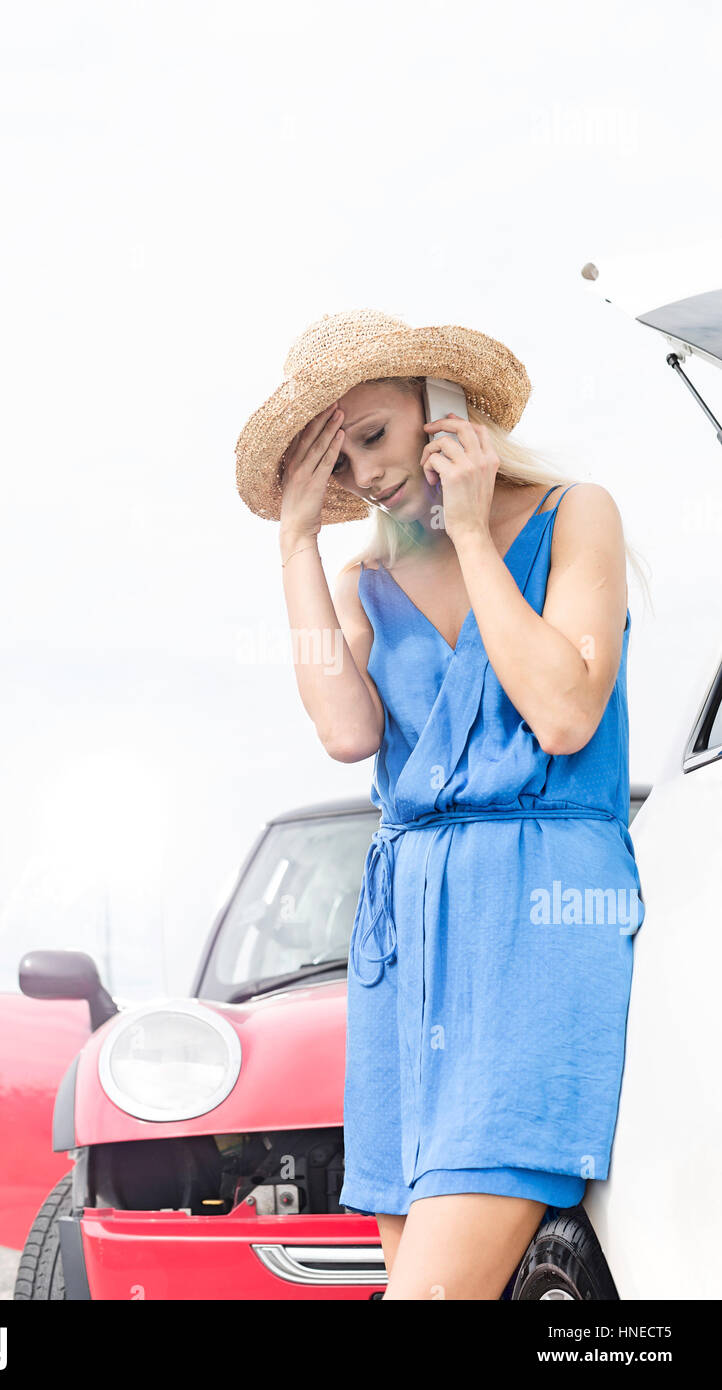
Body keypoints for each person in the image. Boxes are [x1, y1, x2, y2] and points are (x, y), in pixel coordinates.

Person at [234, 308, 646, 1300]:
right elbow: (343, 730)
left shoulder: (572, 512)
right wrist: (294, 539)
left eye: (371, 435)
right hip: (407, 940)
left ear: (444, 407)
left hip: (538, 914)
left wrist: (467, 531)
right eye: (339, 459)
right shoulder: (362, 579)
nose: (365, 476)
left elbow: (559, 712)